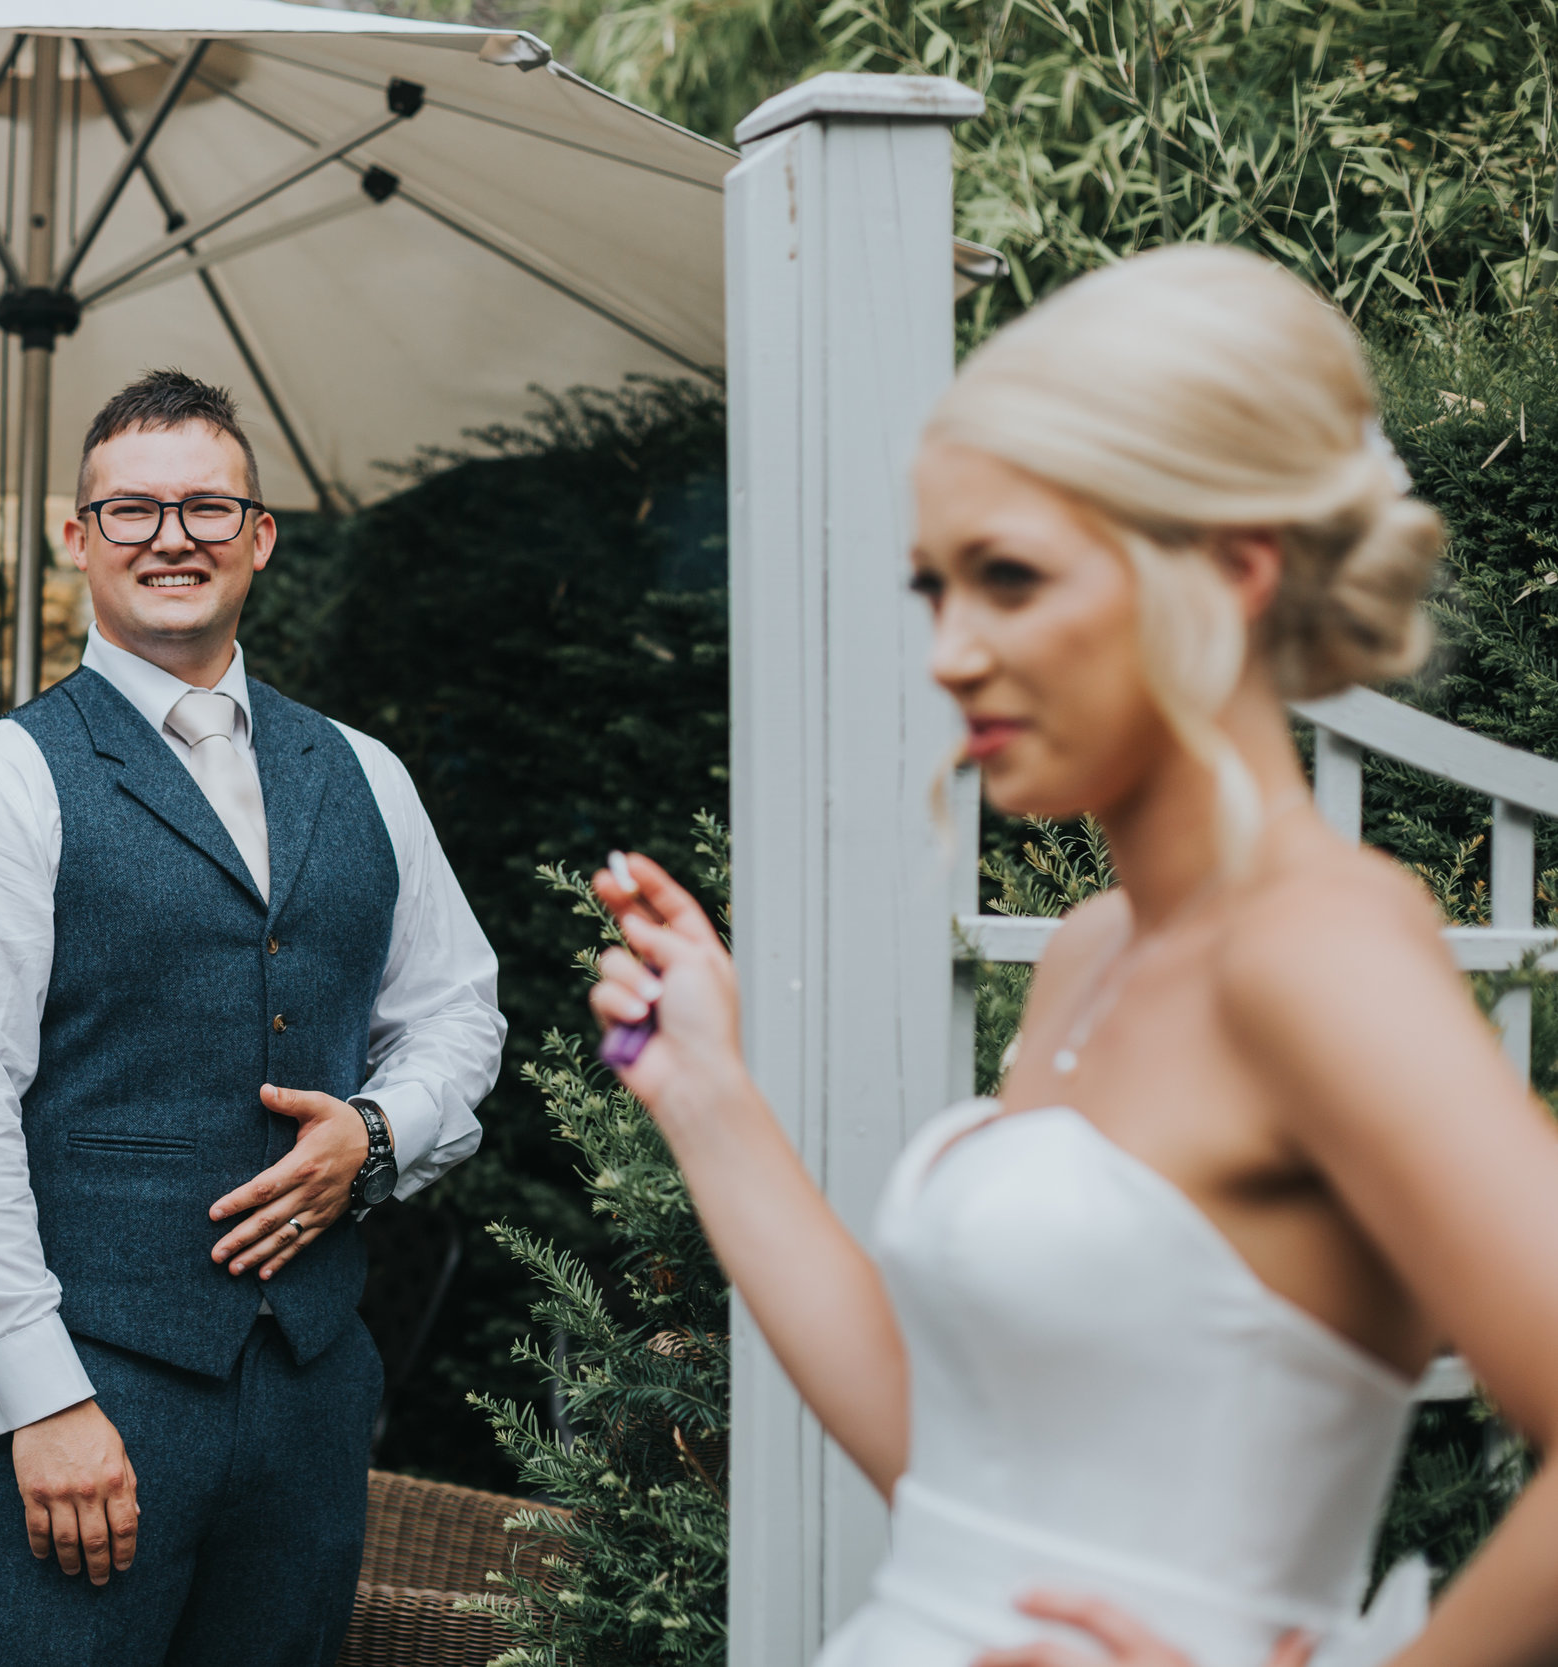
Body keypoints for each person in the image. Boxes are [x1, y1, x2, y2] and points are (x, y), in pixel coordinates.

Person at [591, 245, 1558, 1667]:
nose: (952, 650)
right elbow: (960, 1479)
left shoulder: (1317, 945)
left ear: (1230, 570)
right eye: (936, 587)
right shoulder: (1096, 946)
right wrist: (707, 1094)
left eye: (1012, 579)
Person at [0, 370, 505, 1666]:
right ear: (79, 538)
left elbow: (459, 1013)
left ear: (260, 536)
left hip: (312, 1391)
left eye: (209, 507)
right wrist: (37, 1396)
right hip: (95, 1380)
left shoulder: (363, 771)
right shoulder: (8, 780)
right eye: (134, 510)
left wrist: (377, 1136)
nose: (173, 537)